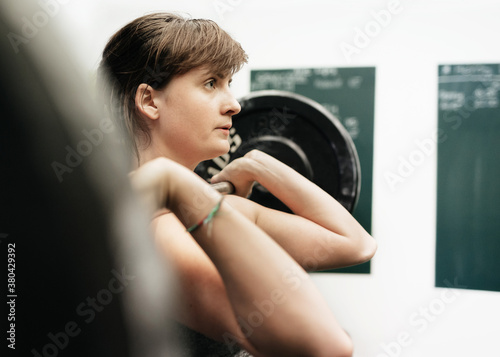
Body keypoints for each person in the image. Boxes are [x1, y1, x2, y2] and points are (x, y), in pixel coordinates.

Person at [98, 12, 376, 357]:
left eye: (229, 84)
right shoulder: (158, 226)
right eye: (211, 83)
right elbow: (326, 346)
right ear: (150, 101)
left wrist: (259, 165)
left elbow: (355, 244)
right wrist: (174, 182)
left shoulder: (206, 205)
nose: (234, 104)